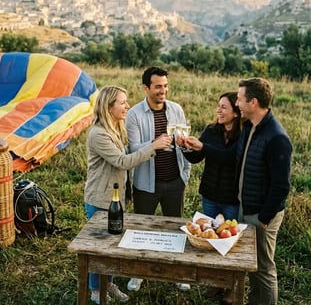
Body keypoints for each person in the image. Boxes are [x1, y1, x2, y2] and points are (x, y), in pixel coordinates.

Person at [185, 77, 292, 305]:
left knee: (263, 268)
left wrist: (263, 218)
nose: (238, 104)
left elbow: (281, 186)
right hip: (247, 208)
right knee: (251, 265)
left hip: (261, 213)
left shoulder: (276, 137)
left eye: (240, 99)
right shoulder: (250, 129)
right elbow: (229, 158)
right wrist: (201, 147)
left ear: (253, 102)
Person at [84, 85, 173, 304]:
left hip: (115, 197)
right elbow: (123, 162)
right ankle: (96, 289)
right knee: (99, 248)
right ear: (108, 106)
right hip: (100, 200)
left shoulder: (115, 127)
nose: (127, 106)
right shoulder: (98, 134)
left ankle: (109, 284)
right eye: (122, 102)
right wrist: (154, 146)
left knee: (113, 245)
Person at [125, 66, 191, 292]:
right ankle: (138, 274)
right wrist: (154, 145)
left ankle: (177, 273)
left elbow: (184, 143)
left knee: (176, 229)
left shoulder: (176, 109)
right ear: (146, 88)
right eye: (158, 87)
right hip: (146, 183)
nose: (163, 91)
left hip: (175, 181)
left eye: (165, 86)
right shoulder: (134, 114)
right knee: (142, 229)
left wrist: (185, 176)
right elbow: (133, 148)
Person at [178, 91, 242, 303]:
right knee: (209, 239)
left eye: (224, 107)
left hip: (232, 197)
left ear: (236, 111)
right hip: (211, 194)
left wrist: (204, 147)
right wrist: (185, 147)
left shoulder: (244, 134)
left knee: (230, 243)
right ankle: (215, 284)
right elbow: (198, 157)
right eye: (218, 106)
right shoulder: (211, 130)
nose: (218, 110)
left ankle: (232, 288)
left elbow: (230, 158)